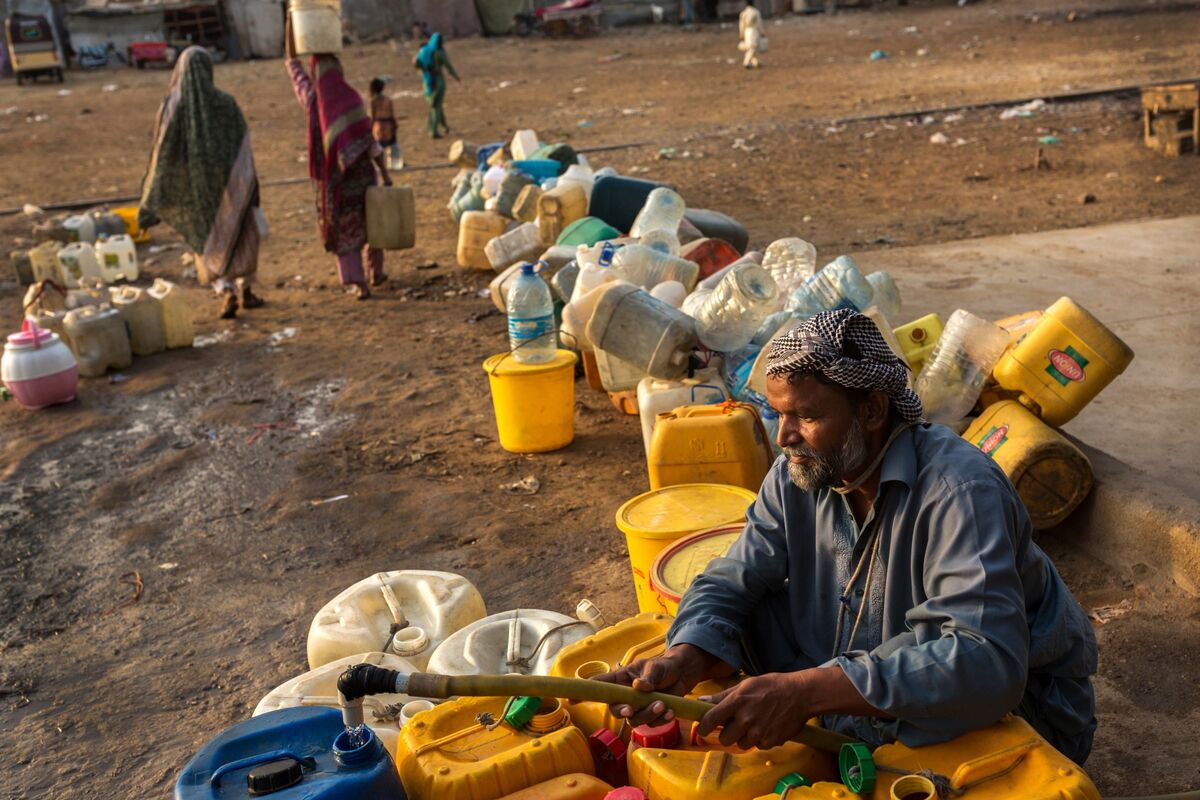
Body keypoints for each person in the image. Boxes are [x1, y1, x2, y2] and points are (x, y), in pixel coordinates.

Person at [597, 309, 1098, 765]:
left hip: (1015, 709)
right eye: (778, 415)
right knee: (738, 603)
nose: (783, 437)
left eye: (807, 417)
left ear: (874, 410)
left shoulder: (960, 491)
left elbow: (986, 662)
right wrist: (684, 658)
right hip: (852, 661)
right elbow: (733, 579)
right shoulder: (798, 471)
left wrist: (807, 692)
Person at [138, 46, 265, 319]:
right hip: (231, 184)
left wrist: (153, 199)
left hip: (197, 188)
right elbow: (244, 148)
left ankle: (226, 290)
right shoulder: (226, 104)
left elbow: (162, 156)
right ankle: (247, 290)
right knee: (242, 231)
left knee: (209, 239)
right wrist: (247, 181)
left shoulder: (172, 109)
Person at [285, 24, 392, 299]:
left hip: (335, 183)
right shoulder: (351, 99)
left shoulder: (312, 100)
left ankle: (359, 283)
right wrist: (386, 175)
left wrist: (292, 25)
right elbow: (371, 144)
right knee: (372, 222)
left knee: (346, 231)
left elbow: (293, 66)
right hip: (364, 176)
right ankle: (376, 271)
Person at [413, 32, 460, 139]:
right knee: (436, 107)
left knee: (435, 106)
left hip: (427, 82)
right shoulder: (439, 53)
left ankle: (444, 126)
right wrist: (456, 77)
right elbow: (449, 66)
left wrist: (425, 70)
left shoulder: (424, 51)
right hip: (438, 82)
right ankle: (433, 131)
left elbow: (416, 62)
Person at [368, 76, 402, 170]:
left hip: (378, 127)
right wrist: (394, 126)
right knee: (393, 145)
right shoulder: (388, 100)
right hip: (389, 125)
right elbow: (392, 115)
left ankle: (380, 167)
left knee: (379, 148)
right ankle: (395, 165)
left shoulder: (373, 101)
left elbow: (372, 117)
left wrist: (369, 128)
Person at [738, 0, 764, 69]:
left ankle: (756, 62)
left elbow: (741, 25)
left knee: (751, 47)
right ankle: (746, 62)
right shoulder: (755, 12)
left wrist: (741, 34)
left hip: (746, 31)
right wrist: (762, 32)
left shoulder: (743, 13)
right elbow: (759, 23)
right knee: (752, 47)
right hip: (754, 31)